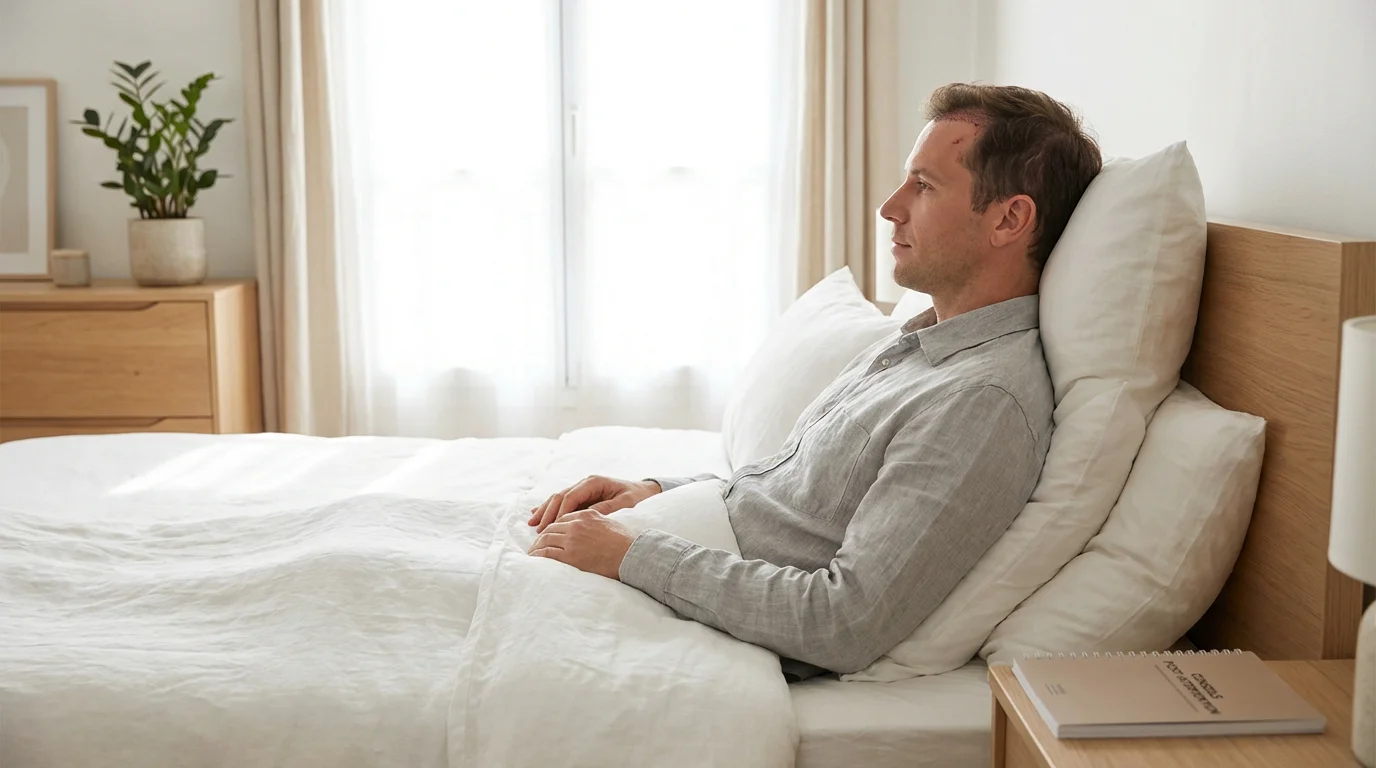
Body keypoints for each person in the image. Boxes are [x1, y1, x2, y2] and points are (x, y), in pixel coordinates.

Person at [525, 83, 1103, 679]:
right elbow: (791, 499)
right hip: (676, 550)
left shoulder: (980, 403)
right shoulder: (918, 345)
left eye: (925, 185)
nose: (891, 207)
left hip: (683, 603)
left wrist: (631, 554)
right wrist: (654, 490)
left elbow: (842, 621)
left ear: (1009, 218)